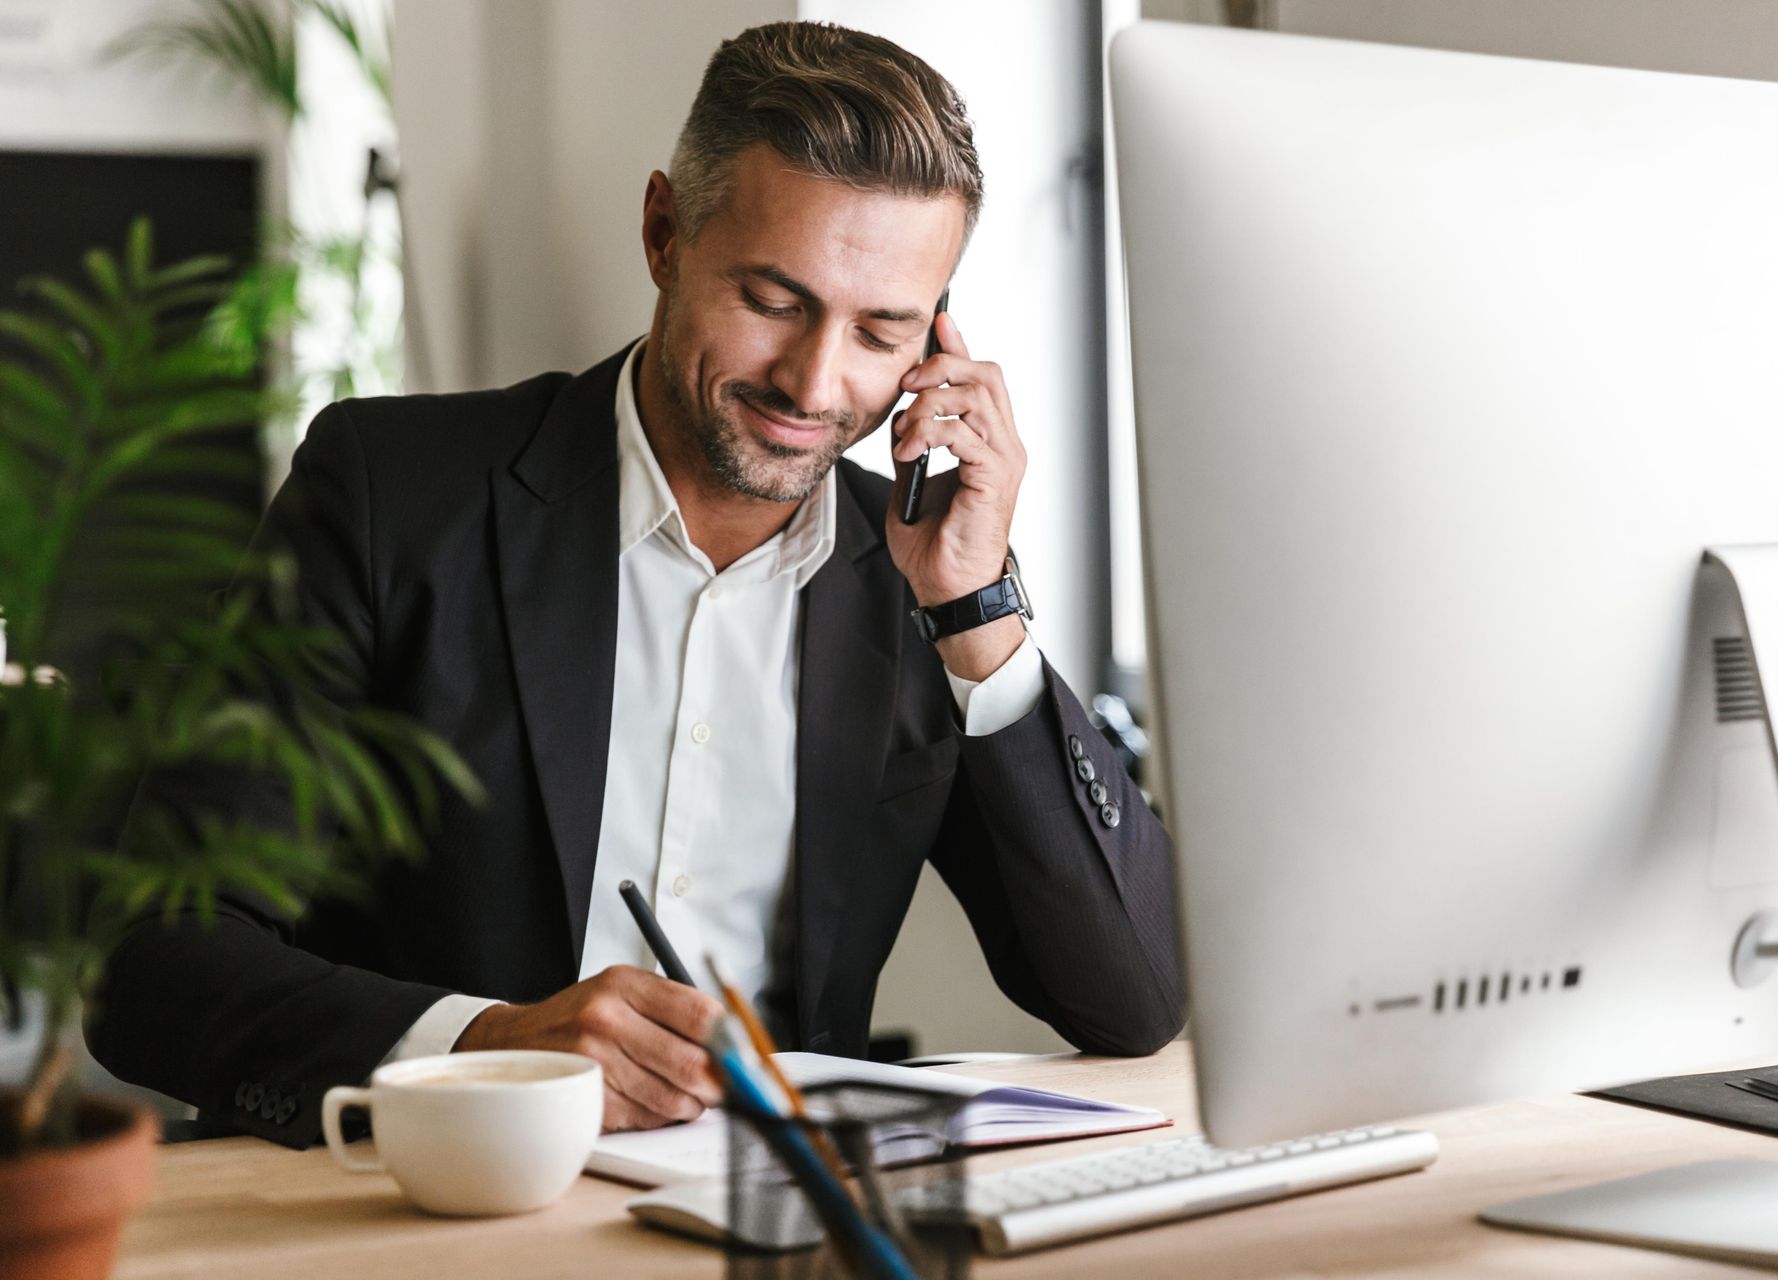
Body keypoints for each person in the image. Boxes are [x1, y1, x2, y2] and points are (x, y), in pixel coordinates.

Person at [87, 20, 1182, 1147]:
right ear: (664, 231)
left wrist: (978, 617)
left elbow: (1133, 995)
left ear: (936, 338)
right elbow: (156, 958)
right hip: (428, 1208)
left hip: (773, 1220)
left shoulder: (919, 579)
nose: (816, 381)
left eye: (880, 330)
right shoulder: (388, 495)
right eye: (773, 299)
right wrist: (487, 1045)